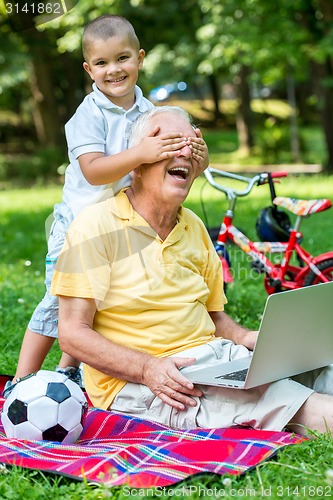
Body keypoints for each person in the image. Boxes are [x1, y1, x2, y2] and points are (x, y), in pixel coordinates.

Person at [51, 106, 333, 437]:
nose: (185, 150)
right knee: (306, 406)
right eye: (171, 142)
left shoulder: (194, 226)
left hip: (217, 361)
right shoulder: (95, 225)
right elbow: (72, 332)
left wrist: (247, 339)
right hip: (151, 384)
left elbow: (214, 317)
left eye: (191, 143)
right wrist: (148, 369)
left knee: (323, 365)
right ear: (138, 163)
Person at [4, 17, 208, 397]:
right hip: (78, 223)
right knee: (58, 303)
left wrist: (200, 155)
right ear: (88, 69)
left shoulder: (149, 110)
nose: (113, 69)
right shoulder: (89, 115)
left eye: (123, 58)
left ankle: (69, 374)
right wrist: (140, 152)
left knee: (101, 302)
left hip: (121, 222)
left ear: (140, 59)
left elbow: (181, 164)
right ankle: (19, 382)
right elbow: (94, 171)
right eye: (101, 63)